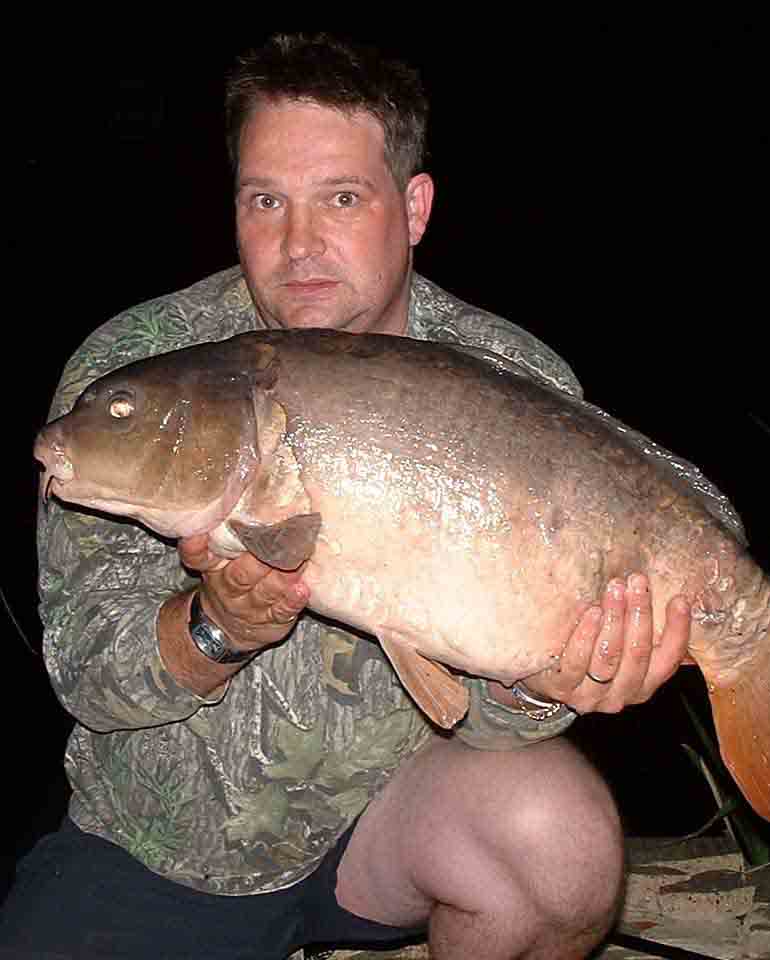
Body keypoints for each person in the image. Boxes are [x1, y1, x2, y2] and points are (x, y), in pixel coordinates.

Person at [1, 33, 692, 959]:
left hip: (391, 832)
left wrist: (543, 688)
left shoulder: (516, 382)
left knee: (559, 844)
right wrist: (217, 626)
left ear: (413, 207)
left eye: (340, 198)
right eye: (265, 201)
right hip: (161, 846)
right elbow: (86, 675)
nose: (297, 245)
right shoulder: (144, 376)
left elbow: (483, 714)